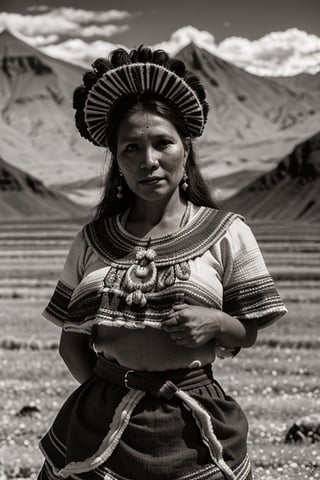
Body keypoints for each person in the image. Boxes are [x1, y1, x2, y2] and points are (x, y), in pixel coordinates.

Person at [37, 45, 287, 480]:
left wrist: (215, 322)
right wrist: (111, 390)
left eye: (162, 143)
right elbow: (71, 343)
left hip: (195, 422)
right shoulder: (92, 240)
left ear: (185, 150)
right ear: (116, 159)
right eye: (131, 147)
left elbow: (247, 330)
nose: (147, 161)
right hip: (101, 424)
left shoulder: (227, 232)